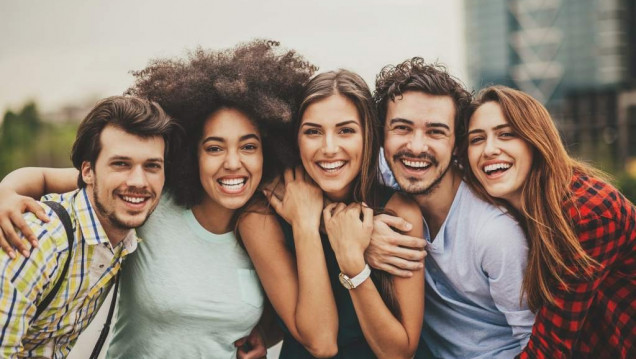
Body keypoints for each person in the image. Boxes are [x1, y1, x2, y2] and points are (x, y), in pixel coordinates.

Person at [0, 40, 316, 358]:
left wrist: (262, 333)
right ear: (192, 153)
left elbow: (301, 324)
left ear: (270, 151)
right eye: (214, 147)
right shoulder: (147, 199)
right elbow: (45, 179)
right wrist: (4, 194)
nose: (232, 162)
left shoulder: (265, 223)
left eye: (248, 146)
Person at [238, 69, 426, 358]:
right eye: (313, 131)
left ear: (368, 136)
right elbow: (321, 343)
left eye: (346, 131)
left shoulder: (398, 212)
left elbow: (399, 353)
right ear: (294, 139)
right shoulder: (260, 218)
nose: (329, 148)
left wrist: (352, 261)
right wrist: (305, 224)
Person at [366, 58, 535, 358]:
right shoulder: (388, 176)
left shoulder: (495, 233)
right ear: (382, 137)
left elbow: (532, 342)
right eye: (402, 128)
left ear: (457, 145)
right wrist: (360, 230)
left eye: (435, 132)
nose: (416, 147)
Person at [462, 85, 636, 359]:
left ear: (535, 139)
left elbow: (550, 350)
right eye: (476, 139)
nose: (489, 149)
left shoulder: (588, 211)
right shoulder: (502, 213)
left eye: (505, 134)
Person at [0, 95, 175, 358]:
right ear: (87, 171)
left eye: (152, 166)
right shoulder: (36, 243)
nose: (139, 181)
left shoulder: (116, 234)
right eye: (121, 164)